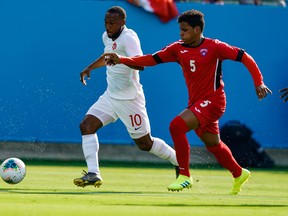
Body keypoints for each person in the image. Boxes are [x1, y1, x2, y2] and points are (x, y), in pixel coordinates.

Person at [103, 9, 272, 195]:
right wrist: (123, 59)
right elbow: (152, 59)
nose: (181, 34)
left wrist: (259, 83)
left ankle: (184, 175)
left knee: (176, 126)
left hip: (214, 101)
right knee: (213, 144)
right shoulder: (178, 48)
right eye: (180, 30)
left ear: (197, 30)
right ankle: (239, 173)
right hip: (197, 103)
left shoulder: (215, 47)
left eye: (185, 30)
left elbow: (245, 57)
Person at [73, 6, 178, 188]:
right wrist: (90, 67)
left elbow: (141, 64)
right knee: (87, 125)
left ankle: (179, 161)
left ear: (123, 23)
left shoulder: (129, 38)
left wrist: (121, 59)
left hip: (130, 100)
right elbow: (106, 56)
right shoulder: (106, 36)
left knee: (145, 144)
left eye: (112, 23)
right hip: (111, 96)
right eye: (106, 22)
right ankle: (93, 173)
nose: (108, 26)